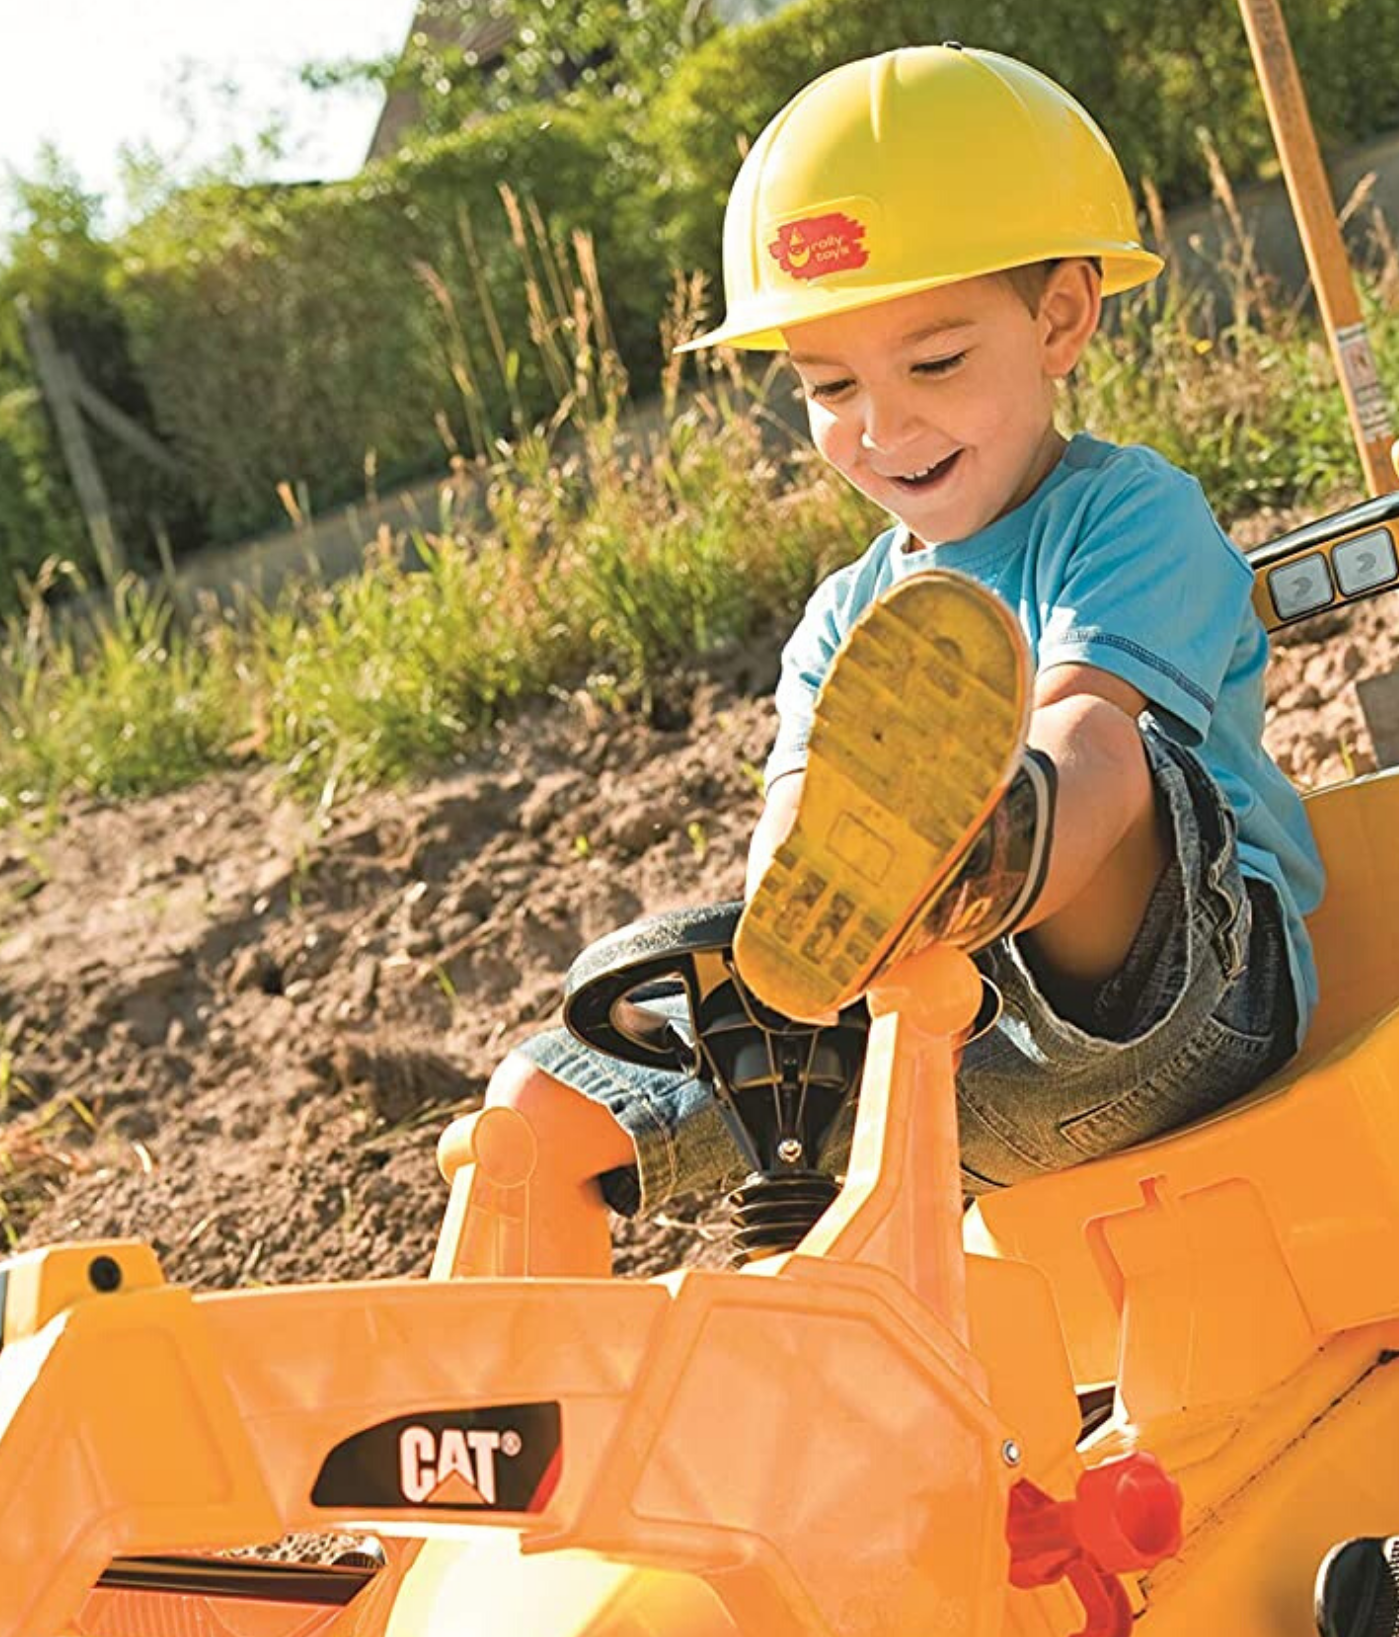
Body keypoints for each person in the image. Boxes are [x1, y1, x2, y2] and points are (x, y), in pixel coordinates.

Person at [479, 42, 1326, 1273]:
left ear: (1058, 318)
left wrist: (958, 881)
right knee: (540, 1105)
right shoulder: (842, 617)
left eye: (933, 363)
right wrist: (785, 949)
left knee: (1103, 758)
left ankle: (978, 854)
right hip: (917, 1051)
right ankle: (511, 1382)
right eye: (829, 386)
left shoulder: (1129, 514)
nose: (881, 426)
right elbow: (791, 830)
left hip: (1164, 1022)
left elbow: (1090, 731)